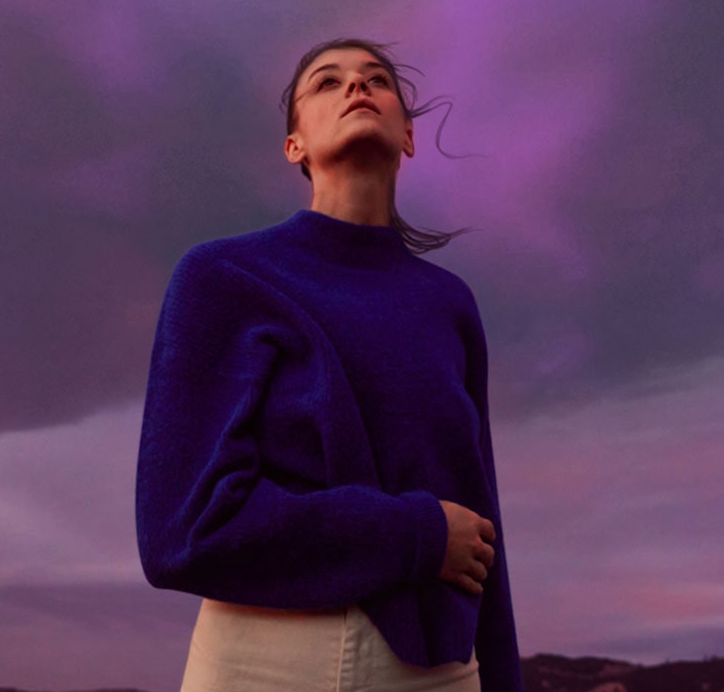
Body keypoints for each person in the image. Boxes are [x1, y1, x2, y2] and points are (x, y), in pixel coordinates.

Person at [135, 37, 524, 691]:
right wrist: (417, 532)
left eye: (377, 78)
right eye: (327, 81)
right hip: (267, 658)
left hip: (441, 671)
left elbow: (482, 527)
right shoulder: (222, 277)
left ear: (407, 134)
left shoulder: (449, 302)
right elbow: (183, 526)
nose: (356, 86)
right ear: (295, 146)